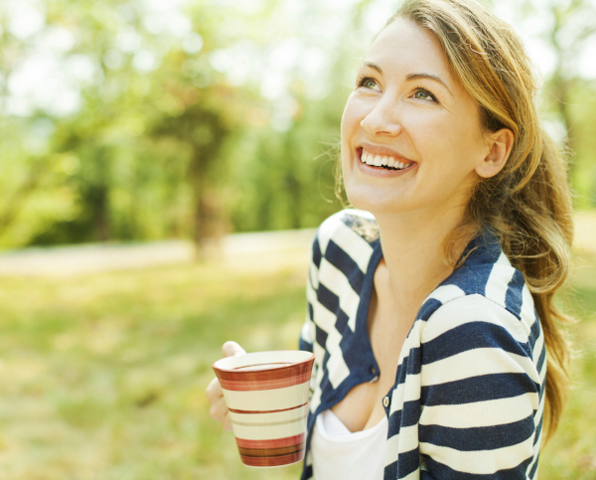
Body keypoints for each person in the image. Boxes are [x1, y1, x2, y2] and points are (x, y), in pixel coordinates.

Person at [206, 0, 574, 478]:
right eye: (369, 83)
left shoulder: (473, 330)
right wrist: (260, 404)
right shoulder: (340, 251)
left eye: (423, 94)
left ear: (491, 150)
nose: (377, 118)